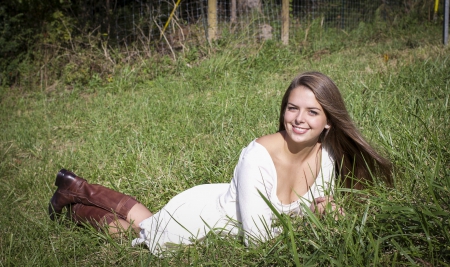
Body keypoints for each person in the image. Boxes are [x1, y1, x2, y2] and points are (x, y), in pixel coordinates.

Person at [48, 71, 392, 255]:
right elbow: (256, 242)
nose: (299, 119)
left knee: (145, 224)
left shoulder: (327, 156)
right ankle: (75, 204)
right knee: (140, 231)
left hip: (217, 210)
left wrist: (331, 211)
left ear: (329, 122)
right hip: (200, 224)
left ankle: (73, 188)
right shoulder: (258, 155)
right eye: (292, 108)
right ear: (283, 110)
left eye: (313, 112)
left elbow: (321, 206)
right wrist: (313, 219)